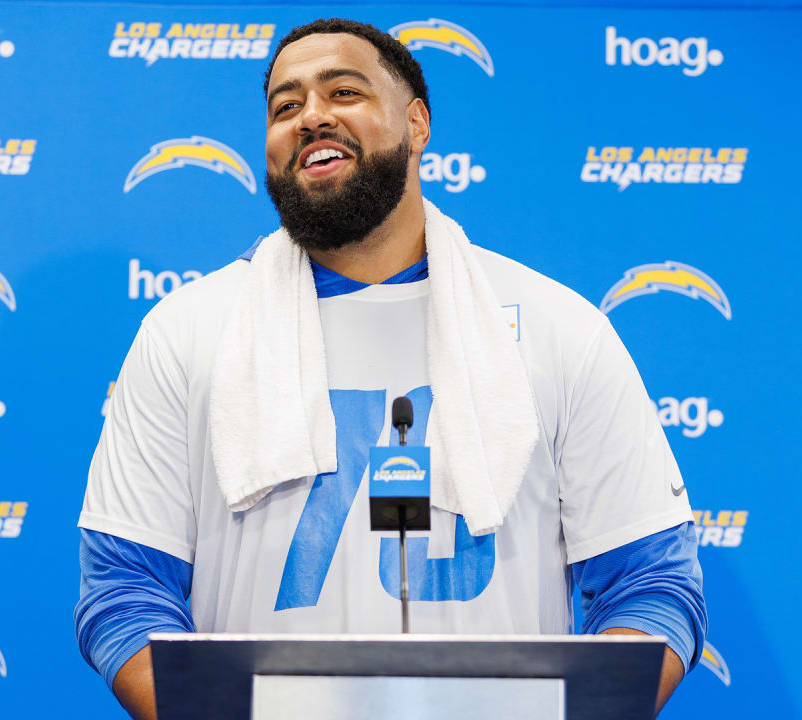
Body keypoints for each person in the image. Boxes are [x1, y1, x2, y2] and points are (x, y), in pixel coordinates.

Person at [75, 18, 706, 720]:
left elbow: (652, 585)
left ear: (417, 123)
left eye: (342, 91)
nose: (311, 116)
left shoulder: (561, 330)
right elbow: (124, 591)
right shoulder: (186, 333)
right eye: (285, 107)